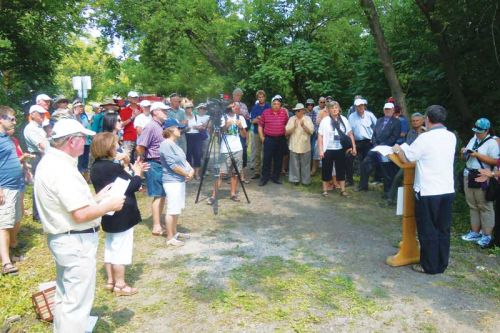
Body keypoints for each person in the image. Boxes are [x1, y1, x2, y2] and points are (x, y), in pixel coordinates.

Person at [34, 119, 125, 332]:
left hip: (65, 239)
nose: (85, 143)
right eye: (82, 138)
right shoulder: (61, 169)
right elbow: (80, 213)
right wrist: (108, 205)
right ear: (72, 141)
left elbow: (71, 205)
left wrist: (96, 199)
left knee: (66, 297)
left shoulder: (52, 162)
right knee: (77, 303)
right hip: (74, 241)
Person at [392, 105, 456, 274]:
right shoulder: (451, 137)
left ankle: (429, 265)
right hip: (447, 188)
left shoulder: (425, 138)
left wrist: (399, 149)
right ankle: (442, 263)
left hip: (428, 190)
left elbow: (408, 157)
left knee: (428, 228)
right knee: (443, 228)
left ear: (427, 119)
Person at [90, 132, 148, 296]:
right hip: (121, 211)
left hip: (107, 212)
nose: (118, 147)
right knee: (121, 249)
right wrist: (137, 172)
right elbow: (131, 186)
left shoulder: (95, 167)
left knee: (111, 245)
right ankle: (120, 284)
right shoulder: (112, 167)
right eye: (115, 144)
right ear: (108, 147)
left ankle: (110, 280)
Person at [460, 118, 499, 247]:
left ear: (487, 130)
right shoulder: (473, 139)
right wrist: (464, 153)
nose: (477, 133)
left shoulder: (492, 143)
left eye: (480, 132)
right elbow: (466, 156)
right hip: (469, 174)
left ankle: (487, 235)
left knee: (485, 206)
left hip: (483, 175)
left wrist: (477, 155)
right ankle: (475, 232)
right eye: (476, 131)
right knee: (472, 205)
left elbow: (495, 162)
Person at [136, 102, 169, 236]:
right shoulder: (150, 126)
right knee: (158, 194)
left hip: (160, 164)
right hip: (154, 163)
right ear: (155, 112)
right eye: (163, 110)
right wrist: (141, 160)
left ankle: (158, 223)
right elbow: (140, 146)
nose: (166, 112)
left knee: (162, 194)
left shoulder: (160, 126)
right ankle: (156, 226)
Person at [160, 119, 194, 246]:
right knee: (172, 209)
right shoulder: (166, 144)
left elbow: (183, 161)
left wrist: (190, 171)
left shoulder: (175, 144)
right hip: (171, 181)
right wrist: (186, 173)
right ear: (170, 130)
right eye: (178, 128)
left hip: (179, 180)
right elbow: (173, 165)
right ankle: (170, 238)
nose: (180, 130)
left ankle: (174, 232)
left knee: (177, 208)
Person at [356, 102, 401, 194]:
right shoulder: (379, 120)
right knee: (365, 163)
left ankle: (387, 192)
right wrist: (376, 145)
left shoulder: (397, 122)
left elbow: (394, 137)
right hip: (376, 147)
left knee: (386, 169)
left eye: (389, 109)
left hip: (387, 149)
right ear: (384, 110)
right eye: (386, 109)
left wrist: (382, 146)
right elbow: (374, 134)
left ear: (393, 110)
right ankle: (363, 186)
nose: (387, 111)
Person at [207, 104, 248, 203]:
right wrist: (226, 126)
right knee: (221, 173)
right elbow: (216, 134)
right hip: (225, 149)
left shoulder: (240, 118)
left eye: (238, 107)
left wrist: (241, 127)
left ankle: (233, 194)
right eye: (234, 106)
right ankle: (213, 195)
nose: (237, 108)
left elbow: (244, 135)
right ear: (229, 107)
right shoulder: (222, 117)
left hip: (238, 148)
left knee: (235, 173)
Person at [0, 106, 23, 275]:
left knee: (15, 219)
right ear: (1, 119)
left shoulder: (7, 137)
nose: (14, 122)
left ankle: (11, 250)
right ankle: (6, 263)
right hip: (5, 187)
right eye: (11, 119)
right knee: (4, 224)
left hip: (16, 185)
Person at [318, 101, 356, 197]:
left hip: (340, 149)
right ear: (329, 110)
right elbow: (320, 136)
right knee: (326, 169)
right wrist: (321, 150)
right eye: (332, 108)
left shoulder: (344, 120)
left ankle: (343, 190)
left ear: (339, 109)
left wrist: (353, 147)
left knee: (341, 170)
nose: (334, 109)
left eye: (336, 107)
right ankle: (325, 190)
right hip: (328, 148)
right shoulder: (325, 120)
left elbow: (350, 134)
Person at [387, 112, 426, 204]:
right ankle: (391, 198)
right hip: (408, 159)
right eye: (413, 121)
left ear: (422, 121)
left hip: (421, 161)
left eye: (417, 121)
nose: (415, 122)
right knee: (398, 177)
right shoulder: (411, 132)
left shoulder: (426, 132)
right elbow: (407, 145)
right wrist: (399, 149)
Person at [24, 105, 49, 221]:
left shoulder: (39, 127)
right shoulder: (30, 128)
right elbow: (42, 145)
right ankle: (37, 215)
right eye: (40, 114)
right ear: (32, 114)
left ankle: (43, 212)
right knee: (38, 186)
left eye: (43, 114)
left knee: (45, 184)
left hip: (43, 156)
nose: (42, 116)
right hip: (37, 157)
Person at [258, 95, 289, 186]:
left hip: (280, 139)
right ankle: (264, 178)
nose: (276, 105)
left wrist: (286, 136)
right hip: (269, 139)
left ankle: (275, 177)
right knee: (267, 159)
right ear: (271, 104)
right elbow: (260, 126)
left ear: (280, 105)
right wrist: (262, 138)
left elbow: (287, 125)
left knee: (278, 160)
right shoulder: (265, 112)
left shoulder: (284, 113)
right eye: (274, 104)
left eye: (278, 104)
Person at [347, 98, 377, 186]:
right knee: (348, 157)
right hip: (356, 142)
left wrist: (374, 138)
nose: (360, 107)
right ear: (355, 107)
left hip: (368, 142)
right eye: (358, 106)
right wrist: (352, 145)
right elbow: (349, 131)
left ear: (364, 105)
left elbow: (377, 127)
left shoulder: (370, 115)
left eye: (361, 105)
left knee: (366, 162)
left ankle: (363, 185)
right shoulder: (351, 116)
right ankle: (349, 180)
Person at [285, 103, 314, 185]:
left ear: (303, 111)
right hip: (294, 145)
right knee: (294, 164)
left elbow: (311, 132)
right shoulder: (291, 119)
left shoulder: (307, 119)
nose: (296, 112)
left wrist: (304, 126)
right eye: (295, 111)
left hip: (305, 146)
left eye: (298, 111)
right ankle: (295, 180)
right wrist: (294, 127)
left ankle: (306, 181)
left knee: (306, 164)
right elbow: (286, 132)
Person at [249, 90, 270, 179]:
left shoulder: (269, 106)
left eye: (262, 97)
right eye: (259, 97)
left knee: (267, 153)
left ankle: (266, 171)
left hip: (267, 132)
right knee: (257, 153)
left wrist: (259, 118)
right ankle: (257, 172)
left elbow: (270, 119)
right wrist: (260, 119)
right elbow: (252, 121)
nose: (261, 98)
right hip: (257, 133)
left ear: (265, 97)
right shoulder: (254, 107)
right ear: (257, 98)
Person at [120, 91, 142, 162]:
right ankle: (127, 172)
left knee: (139, 159)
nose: (135, 99)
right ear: (129, 98)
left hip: (140, 137)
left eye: (136, 97)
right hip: (128, 137)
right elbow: (121, 124)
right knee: (126, 158)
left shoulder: (142, 109)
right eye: (133, 97)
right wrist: (132, 117)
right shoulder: (124, 111)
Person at [73, 100, 92, 182]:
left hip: (86, 142)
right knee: (79, 161)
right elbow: (77, 127)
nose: (81, 108)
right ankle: (78, 178)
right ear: (74, 108)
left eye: (82, 106)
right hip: (77, 142)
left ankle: (85, 178)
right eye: (79, 106)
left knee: (85, 160)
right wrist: (76, 115)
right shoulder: (72, 117)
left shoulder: (84, 117)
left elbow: (87, 127)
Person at [184, 102, 204, 179]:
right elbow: (181, 127)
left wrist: (198, 127)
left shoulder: (196, 116)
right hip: (187, 136)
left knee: (197, 154)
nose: (190, 109)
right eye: (188, 107)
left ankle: (197, 173)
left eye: (191, 107)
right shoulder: (184, 117)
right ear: (185, 109)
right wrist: (186, 128)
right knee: (188, 154)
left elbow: (201, 127)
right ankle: (189, 173)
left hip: (197, 136)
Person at [311, 97, 326, 176]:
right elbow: (315, 122)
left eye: (324, 102)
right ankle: (314, 169)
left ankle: (324, 170)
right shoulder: (315, 109)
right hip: (318, 134)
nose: (322, 103)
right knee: (316, 152)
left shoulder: (330, 110)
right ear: (318, 102)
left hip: (328, 136)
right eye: (321, 102)